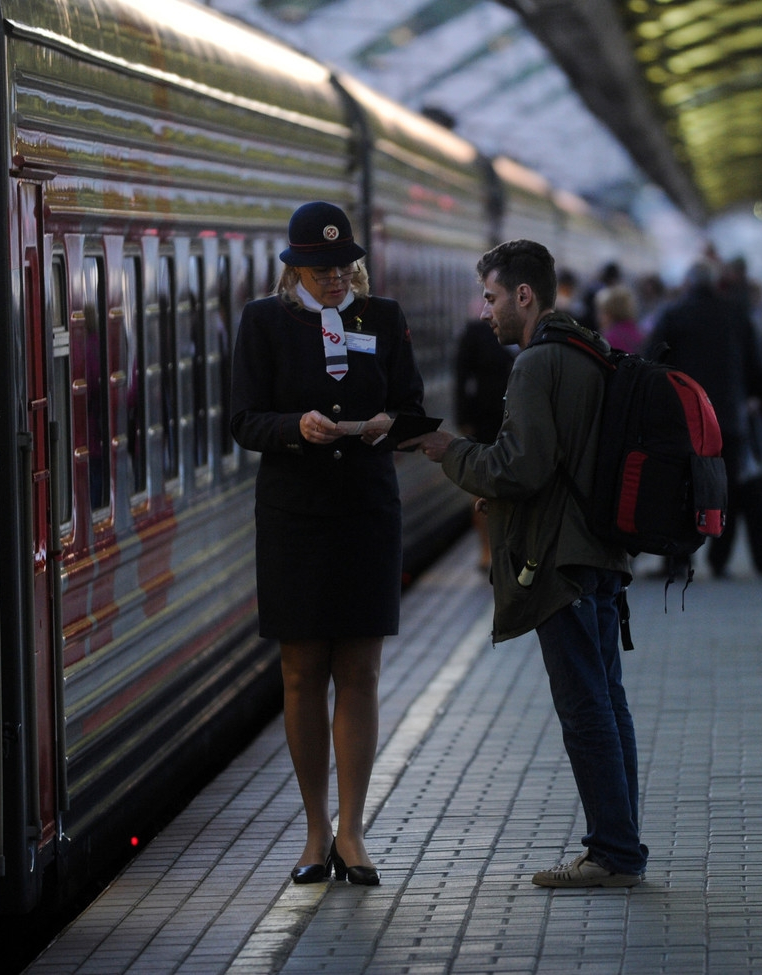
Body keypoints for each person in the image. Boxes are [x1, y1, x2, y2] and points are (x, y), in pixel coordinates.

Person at [409, 239, 645, 889]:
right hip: (599, 552)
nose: (485, 313)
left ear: (523, 295)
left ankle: (613, 851)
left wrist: (451, 451)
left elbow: (522, 464)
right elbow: (561, 459)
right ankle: (620, 844)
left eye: (490, 298)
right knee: (608, 701)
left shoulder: (536, 364)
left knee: (584, 709)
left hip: (560, 563)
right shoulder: (588, 349)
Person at [230, 201, 426, 887]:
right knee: (301, 671)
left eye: (343, 266)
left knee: (362, 672)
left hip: (366, 510)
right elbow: (244, 420)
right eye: (321, 269)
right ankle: (315, 828)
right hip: (296, 516)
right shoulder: (264, 321)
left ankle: (352, 828)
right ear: (295, 270)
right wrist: (295, 427)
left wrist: (384, 423)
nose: (336, 278)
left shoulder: (383, 316)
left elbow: (412, 406)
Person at [646, 262, 762, 578]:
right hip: (729, 416)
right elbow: (757, 363)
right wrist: (756, 394)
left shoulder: (673, 315)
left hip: (684, 417)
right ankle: (720, 558)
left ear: (687, 284)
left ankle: (678, 558)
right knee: (726, 489)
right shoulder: (736, 314)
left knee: (680, 487)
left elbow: (651, 361)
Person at [454, 316, 515, 569]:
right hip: (486, 419)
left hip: (521, 419)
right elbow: (461, 375)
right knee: (481, 485)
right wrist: (463, 418)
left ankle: (511, 546)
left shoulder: (534, 328)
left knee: (514, 483)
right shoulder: (477, 332)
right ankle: (487, 549)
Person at [594, 284, 643, 353]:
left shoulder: (608, 339)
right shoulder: (639, 334)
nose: (598, 317)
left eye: (601, 311)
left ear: (610, 313)